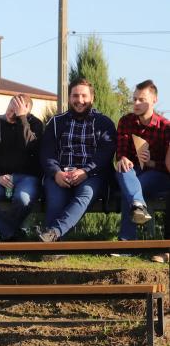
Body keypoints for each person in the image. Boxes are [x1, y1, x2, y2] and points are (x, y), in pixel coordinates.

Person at [38, 79, 117, 242]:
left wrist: (85, 171)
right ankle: (53, 247)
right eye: (75, 96)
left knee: (85, 194)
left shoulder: (104, 123)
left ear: (92, 98)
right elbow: (46, 152)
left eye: (84, 96)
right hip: (61, 173)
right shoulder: (56, 122)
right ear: (69, 98)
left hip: (92, 175)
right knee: (56, 199)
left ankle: (53, 234)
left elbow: (105, 153)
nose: (79, 100)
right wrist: (56, 173)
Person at [0, 94, 43, 241]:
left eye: (16, 109)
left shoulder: (36, 124)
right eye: (10, 107)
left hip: (27, 177)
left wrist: (22, 119)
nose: (11, 112)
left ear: (26, 109)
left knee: (23, 199)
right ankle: (13, 233)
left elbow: (32, 147)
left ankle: (9, 233)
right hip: (1, 178)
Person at [114, 80, 170, 242]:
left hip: (158, 175)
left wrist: (152, 163)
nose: (136, 103)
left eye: (142, 100)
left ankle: (127, 242)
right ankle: (138, 205)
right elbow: (121, 151)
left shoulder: (165, 127)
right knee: (123, 169)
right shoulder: (126, 121)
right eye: (134, 99)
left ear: (154, 100)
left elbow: (168, 166)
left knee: (131, 187)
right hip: (132, 172)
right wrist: (123, 158)